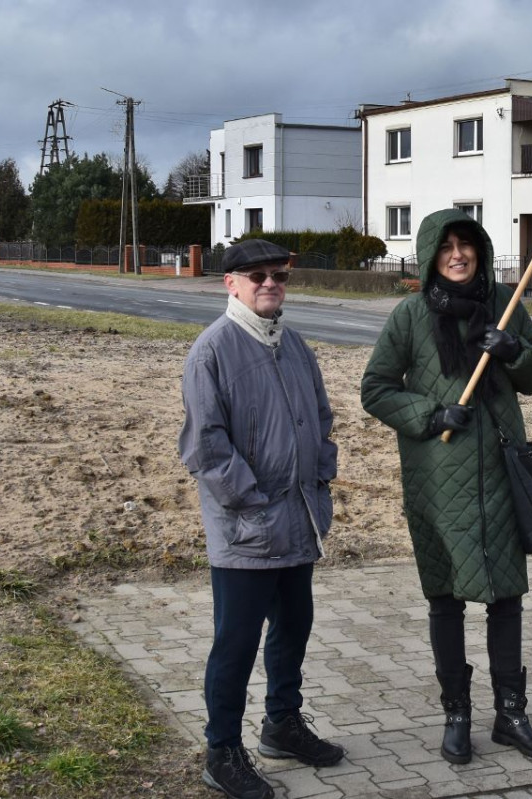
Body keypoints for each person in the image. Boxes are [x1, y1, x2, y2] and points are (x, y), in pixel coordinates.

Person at [360, 209, 532, 765]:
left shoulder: (506, 305)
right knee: (445, 597)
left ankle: (511, 715)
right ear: (429, 255)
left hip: (498, 475)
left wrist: (513, 350)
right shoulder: (410, 316)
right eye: (446, 245)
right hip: (436, 479)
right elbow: (375, 389)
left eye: (466, 243)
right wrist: (430, 412)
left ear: (480, 251)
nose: (457, 253)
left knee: (506, 595)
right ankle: (456, 713)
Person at [179, 239, 344, 799]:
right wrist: (254, 504)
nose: (270, 283)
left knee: (294, 629)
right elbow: (205, 447)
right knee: (236, 643)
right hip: (247, 532)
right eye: (257, 276)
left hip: (300, 523)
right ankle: (222, 749)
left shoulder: (295, 345)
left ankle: (282, 724)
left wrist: (321, 480)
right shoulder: (212, 352)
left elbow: (321, 419)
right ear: (231, 283)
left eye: (279, 275)